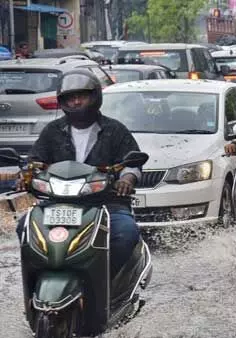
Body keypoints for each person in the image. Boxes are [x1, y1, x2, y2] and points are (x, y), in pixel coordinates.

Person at [15, 69, 142, 277]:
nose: (75, 102)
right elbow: (35, 161)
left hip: (105, 203)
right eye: (70, 98)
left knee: (125, 234)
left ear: (94, 97)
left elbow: (132, 163)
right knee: (25, 228)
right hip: (57, 203)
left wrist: (127, 179)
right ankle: (36, 291)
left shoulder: (115, 129)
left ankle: (107, 284)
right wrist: (25, 175)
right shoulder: (52, 130)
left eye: (81, 96)